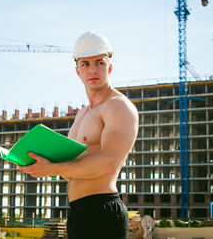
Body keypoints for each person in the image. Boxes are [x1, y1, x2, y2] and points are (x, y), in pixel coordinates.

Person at [17, 31, 139, 239]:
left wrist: (53, 168)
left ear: (109, 67)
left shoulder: (118, 107)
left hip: (103, 211)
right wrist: (37, 162)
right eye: (85, 64)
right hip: (77, 212)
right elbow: (71, 171)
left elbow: (109, 162)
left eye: (99, 63)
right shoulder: (83, 114)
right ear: (77, 71)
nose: (93, 70)